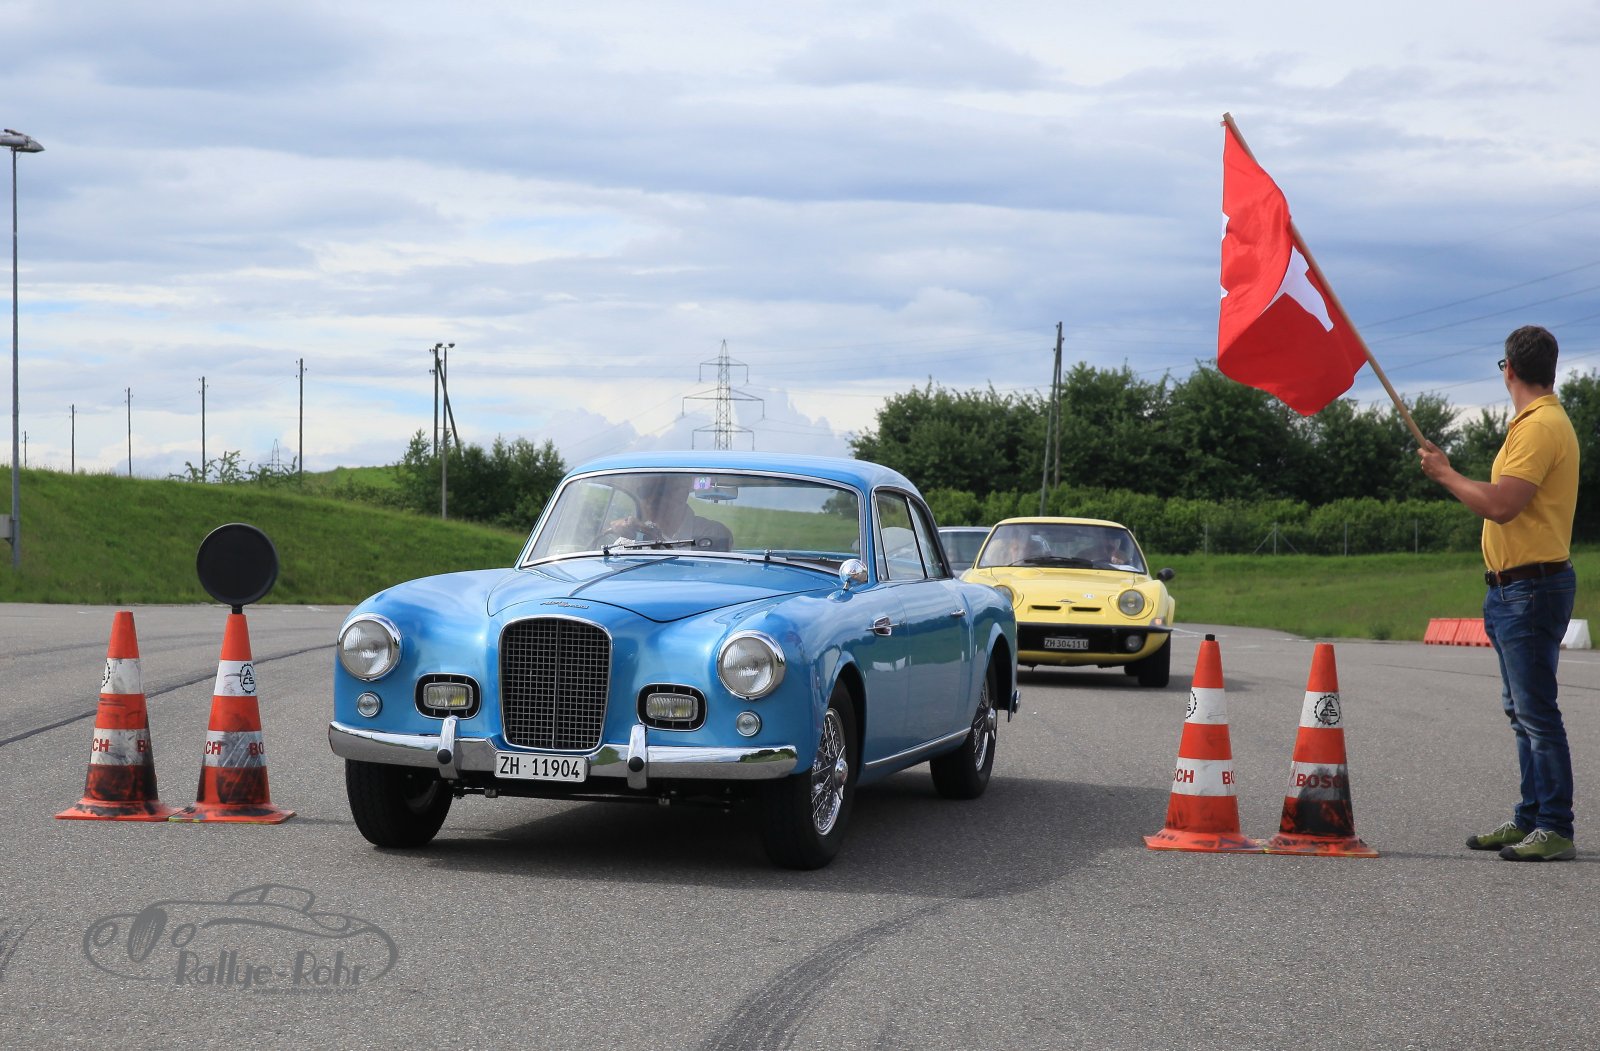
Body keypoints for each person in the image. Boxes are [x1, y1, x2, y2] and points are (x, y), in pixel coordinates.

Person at [1418, 325, 1579, 862]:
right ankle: (1531, 817)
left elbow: (1502, 505)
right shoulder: (1535, 423)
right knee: (1522, 712)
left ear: (1508, 369)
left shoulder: (1540, 428)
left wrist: (1446, 475)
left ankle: (1554, 825)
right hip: (1516, 587)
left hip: (1531, 588)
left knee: (1536, 713)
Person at [601, 474, 733, 550]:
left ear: (681, 494)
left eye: (660, 491)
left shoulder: (712, 532)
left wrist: (654, 538)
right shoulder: (627, 540)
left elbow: (708, 578)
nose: (651, 499)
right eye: (645, 492)